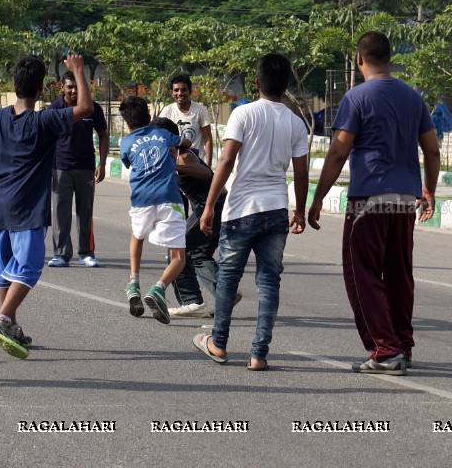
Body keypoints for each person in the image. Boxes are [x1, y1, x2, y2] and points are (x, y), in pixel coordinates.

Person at [307, 31, 439, 375]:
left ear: (359, 59)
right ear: (390, 57)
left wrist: (317, 198)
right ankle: (402, 345)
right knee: (399, 274)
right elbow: (432, 149)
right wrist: (429, 191)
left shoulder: (356, 98)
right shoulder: (413, 97)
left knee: (361, 274)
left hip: (368, 200)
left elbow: (338, 151)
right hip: (403, 200)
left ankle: (384, 350)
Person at [191, 54, 309, 370]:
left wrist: (210, 205)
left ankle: (218, 343)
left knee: (229, 277)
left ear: (257, 83)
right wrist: (300, 210)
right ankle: (259, 353)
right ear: (285, 86)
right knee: (269, 282)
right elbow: (300, 174)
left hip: (241, 209)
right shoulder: (296, 123)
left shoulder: (243, 114)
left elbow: (226, 162)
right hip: (275, 211)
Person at [0, 54, 92, 359]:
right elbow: (86, 109)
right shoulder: (45, 120)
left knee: (5, 272)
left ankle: (9, 323)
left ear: (15, 85)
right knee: (28, 267)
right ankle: (1, 319)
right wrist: (77, 70)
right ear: (41, 88)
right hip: (26, 210)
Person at [119, 95, 191, 325]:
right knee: (178, 257)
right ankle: (159, 289)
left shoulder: (126, 142)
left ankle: (133, 282)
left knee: (137, 236)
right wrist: (178, 146)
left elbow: (129, 163)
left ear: (128, 124)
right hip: (169, 198)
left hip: (141, 200)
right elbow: (186, 142)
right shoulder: (164, 134)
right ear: (149, 117)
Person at [150, 116, 230, 318]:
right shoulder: (172, 156)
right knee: (198, 253)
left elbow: (204, 173)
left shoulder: (182, 156)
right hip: (216, 207)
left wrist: (175, 167)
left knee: (178, 250)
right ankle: (225, 292)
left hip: (212, 207)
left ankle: (191, 302)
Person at [48, 70, 108, 268]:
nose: (73, 90)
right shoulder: (54, 109)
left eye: (76, 86)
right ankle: (61, 254)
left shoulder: (92, 108)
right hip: (60, 167)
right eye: (69, 87)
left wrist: (103, 163)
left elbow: (103, 136)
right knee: (60, 212)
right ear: (62, 87)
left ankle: (86, 253)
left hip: (86, 167)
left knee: (85, 211)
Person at [159, 72, 213, 167]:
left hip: (195, 165)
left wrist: (208, 166)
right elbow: (159, 136)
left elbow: (208, 139)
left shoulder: (200, 110)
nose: (180, 93)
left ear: (190, 91)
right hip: (173, 165)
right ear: (172, 93)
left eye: (183, 90)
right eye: (176, 90)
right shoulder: (167, 111)